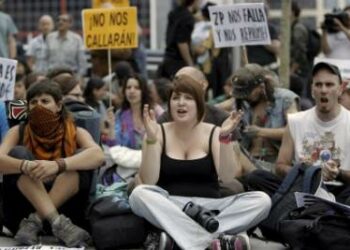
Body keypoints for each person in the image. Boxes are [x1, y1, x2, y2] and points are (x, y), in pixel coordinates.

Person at [129, 74, 271, 250]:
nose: (181, 103)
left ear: (199, 104)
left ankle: (179, 239)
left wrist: (225, 138)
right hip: (171, 207)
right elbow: (149, 180)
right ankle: (213, 242)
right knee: (139, 194)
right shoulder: (156, 132)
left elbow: (227, 177)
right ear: (169, 104)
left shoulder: (213, 132)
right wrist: (150, 140)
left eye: (188, 98)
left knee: (262, 200)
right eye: (176, 98)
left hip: (211, 208)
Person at [0, 80, 104, 247]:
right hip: (22, 217)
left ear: (59, 105)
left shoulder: (76, 131)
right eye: (33, 102)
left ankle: (37, 219)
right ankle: (55, 220)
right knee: (19, 155)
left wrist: (58, 165)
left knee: (79, 160)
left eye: (45, 101)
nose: (38, 106)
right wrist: (25, 165)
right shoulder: (18, 131)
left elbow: (98, 155)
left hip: (67, 216)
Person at [247, 62, 350, 205]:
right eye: (318, 85)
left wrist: (338, 174)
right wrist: (308, 174)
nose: (323, 90)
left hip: (339, 192)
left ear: (341, 88)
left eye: (329, 84)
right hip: (302, 188)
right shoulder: (296, 121)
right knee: (256, 177)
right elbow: (281, 166)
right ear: (312, 89)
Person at [232, 64, 299, 167]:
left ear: (261, 86)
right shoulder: (242, 101)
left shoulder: (285, 98)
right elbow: (218, 107)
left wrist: (260, 132)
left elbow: (295, 130)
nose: (245, 97)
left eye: (249, 93)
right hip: (248, 160)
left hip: (276, 161)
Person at [104, 74, 163, 181]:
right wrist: (111, 127)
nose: (132, 91)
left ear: (143, 90)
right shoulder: (120, 114)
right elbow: (114, 147)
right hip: (127, 169)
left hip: (154, 167)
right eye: (128, 87)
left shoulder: (156, 111)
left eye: (137, 88)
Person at [158, 0, 200, 79]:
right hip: (179, 64)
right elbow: (182, 42)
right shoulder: (188, 17)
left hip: (168, 60)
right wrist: (190, 65)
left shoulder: (174, 13)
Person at [246, 4, 280, 73]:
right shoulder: (247, 29)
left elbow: (277, 48)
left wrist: (262, 37)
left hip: (269, 68)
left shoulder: (270, 28)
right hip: (252, 69)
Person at [290, 1, 310, 83]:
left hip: (300, 71)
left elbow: (300, 51)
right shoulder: (292, 27)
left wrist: (292, 70)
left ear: (293, 12)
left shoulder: (298, 28)